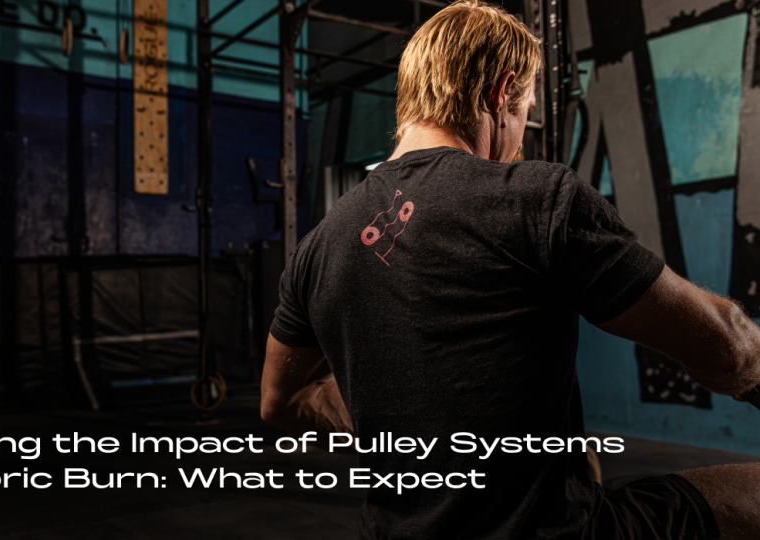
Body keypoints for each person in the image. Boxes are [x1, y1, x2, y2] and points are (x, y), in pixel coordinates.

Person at [259, 1, 760, 539]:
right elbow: (728, 350)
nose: (518, 140)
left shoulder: (317, 247)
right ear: (501, 92)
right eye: (523, 111)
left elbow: (280, 403)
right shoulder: (537, 199)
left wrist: (403, 417)